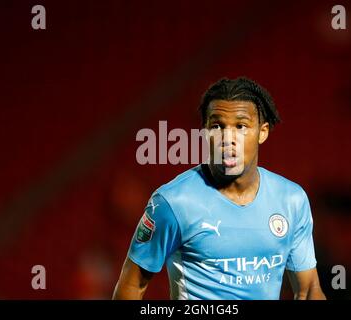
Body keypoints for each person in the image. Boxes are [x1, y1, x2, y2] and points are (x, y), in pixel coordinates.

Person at [113, 77, 326, 300]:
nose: (228, 138)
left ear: (262, 132)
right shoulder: (173, 202)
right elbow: (132, 285)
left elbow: (309, 289)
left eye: (241, 126)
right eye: (217, 126)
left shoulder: (291, 200)